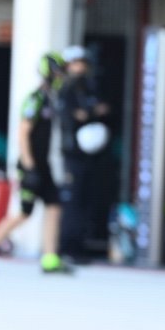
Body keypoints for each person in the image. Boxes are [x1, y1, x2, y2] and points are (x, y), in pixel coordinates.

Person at [0, 52, 71, 274]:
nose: (61, 77)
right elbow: (23, 133)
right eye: (58, 72)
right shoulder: (35, 99)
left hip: (43, 165)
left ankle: (50, 259)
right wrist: (29, 166)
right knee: (24, 212)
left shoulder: (51, 100)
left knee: (54, 206)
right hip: (31, 166)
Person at [57, 45, 109, 264]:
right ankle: (67, 248)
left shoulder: (89, 87)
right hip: (74, 154)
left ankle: (79, 246)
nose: (81, 68)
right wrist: (86, 114)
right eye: (77, 63)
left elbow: (97, 110)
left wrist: (90, 113)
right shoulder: (65, 90)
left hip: (90, 154)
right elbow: (71, 117)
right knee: (73, 201)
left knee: (86, 200)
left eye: (83, 63)